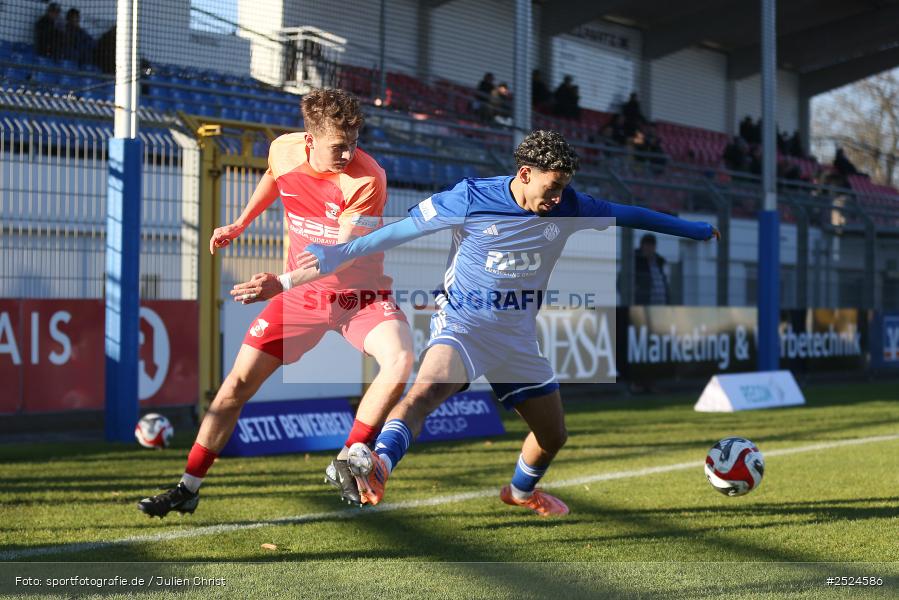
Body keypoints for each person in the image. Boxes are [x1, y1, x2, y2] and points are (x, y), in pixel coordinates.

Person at [295, 130, 719, 516]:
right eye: (551, 188)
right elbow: (398, 232)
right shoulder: (471, 197)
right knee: (423, 394)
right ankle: (380, 464)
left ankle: (519, 493)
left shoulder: (570, 207)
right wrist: (337, 254)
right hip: (464, 326)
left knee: (553, 436)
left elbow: (631, 214)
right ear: (524, 174)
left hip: (517, 340)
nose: (557, 197)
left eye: (563, 188)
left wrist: (694, 230)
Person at [137, 89, 414, 518]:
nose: (349, 153)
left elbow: (337, 257)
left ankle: (347, 457)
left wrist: (279, 282)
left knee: (400, 359)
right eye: (339, 146)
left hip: (357, 296)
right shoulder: (284, 149)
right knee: (233, 389)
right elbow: (273, 176)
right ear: (310, 138)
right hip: (300, 298)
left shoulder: (366, 178)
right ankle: (187, 488)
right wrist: (241, 222)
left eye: (354, 142)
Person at [633, 234, 670, 305]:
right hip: (644, 306)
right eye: (647, 245)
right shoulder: (634, 262)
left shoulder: (660, 262)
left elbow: (665, 284)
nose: (649, 248)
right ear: (642, 246)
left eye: (651, 245)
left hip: (662, 306)